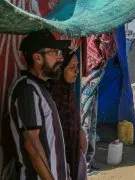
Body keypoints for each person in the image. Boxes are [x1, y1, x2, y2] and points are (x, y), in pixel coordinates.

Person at [8, 30, 70, 179]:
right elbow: (32, 144)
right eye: (54, 52)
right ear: (37, 57)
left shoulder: (39, 87)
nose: (60, 58)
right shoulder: (27, 89)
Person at [48, 49, 88, 180]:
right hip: (57, 155)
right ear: (60, 68)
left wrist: (80, 132)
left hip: (73, 151)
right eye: (71, 67)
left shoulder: (69, 91)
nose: (76, 71)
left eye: (76, 67)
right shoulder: (53, 94)